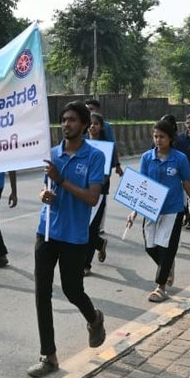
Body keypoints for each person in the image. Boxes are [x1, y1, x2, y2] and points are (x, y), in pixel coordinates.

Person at [28, 102, 108, 378]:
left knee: (72, 290)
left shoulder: (95, 157)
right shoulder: (52, 154)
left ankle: (94, 318)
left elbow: (92, 197)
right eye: (63, 120)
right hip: (47, 230)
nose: (66, 124)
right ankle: (48, 355)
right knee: (42, 294)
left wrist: (61, 181)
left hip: (75, 236)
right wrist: (44, 195)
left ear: (84, 125)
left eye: (72, 120)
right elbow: (45, 188)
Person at [132, 118, 190, 301]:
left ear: (171, 138)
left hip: (173, 209)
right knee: (150, 246)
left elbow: (187, 183)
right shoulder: (147, 157)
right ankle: (167, 265)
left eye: (162, 137)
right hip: (151, 209)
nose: (158, 140)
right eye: (155, 136)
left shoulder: (180, 158)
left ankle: (160, 287)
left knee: (166, 247)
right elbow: (142, 185)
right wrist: (134, 211)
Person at [85, 112, 121, 275]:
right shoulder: (81, 144)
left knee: (91, 228)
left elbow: (106, 174)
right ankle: (99, 244)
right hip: (81, 191)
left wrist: (96, 185)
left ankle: (86, 265)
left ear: (101, 127)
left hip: (98, 193)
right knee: (82, 227)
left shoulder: (107, 147)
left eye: (96, 124)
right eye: (90, 124)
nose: (92, 126)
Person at [85, 99, 125, 179]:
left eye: (91, 109)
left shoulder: (106, 126)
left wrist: (117, 165)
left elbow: (112, 146)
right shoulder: (83, 125)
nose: (89, 112)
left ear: (98, 110)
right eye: (87, 110)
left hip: (103, 169)